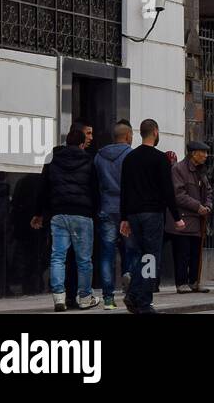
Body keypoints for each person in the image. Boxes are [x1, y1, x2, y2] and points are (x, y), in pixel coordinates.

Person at [30, 126, 100, 311]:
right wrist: (95, 212)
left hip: (59, 213)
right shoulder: (89, 159)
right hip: (82, 214)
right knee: (84, 259)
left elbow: (43, 187)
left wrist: (39, 213)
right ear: (81, 143)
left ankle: (59, 298)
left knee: (57, 257)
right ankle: (85, 297)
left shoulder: (52, 159)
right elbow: (95, 189)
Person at [119, 119, 184, 314]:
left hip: (133, 213)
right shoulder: (160, 158)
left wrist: (124, 217)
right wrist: (176, 216)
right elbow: (167, 190)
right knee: (151, 257)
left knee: (140, 254)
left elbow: (125, 189)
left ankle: (136, 293)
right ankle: (142, 299)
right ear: (155, 132)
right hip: (152, 213)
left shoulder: (130, 158)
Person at [93, 122, 133, 308]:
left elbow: (95, 182)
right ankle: (129, 284)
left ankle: (108, 298)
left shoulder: (99, 156)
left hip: (106, 208)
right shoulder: (130, 155)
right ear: (128, 136)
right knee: (130, 250)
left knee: (107, 254)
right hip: (126, 209)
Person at [167, 141, 212, 294]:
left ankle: (194, 281)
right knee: (182, 253)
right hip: (184, 219)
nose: (206, 156)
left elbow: (209, 191)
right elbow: (178, 195)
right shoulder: (178, 169)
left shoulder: (201, 171)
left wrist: (208, 205)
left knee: (196, 253)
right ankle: (181, 283)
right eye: (203, 152)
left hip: (199, 220)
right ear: (193, 153)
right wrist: (197, 206)